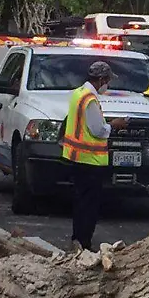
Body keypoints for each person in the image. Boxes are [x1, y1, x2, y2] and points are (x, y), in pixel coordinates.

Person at [60, 61, 127, 252]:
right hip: (89, 161)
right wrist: (115, 125)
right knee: (88, 207)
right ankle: (84, 244)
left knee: (81, 203)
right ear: (101, 79)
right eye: (107, 81)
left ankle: (78, 241)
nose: (108, 85)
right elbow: (97, 130)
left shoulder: (78, 93)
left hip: (77, 158)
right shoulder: (89, 99)